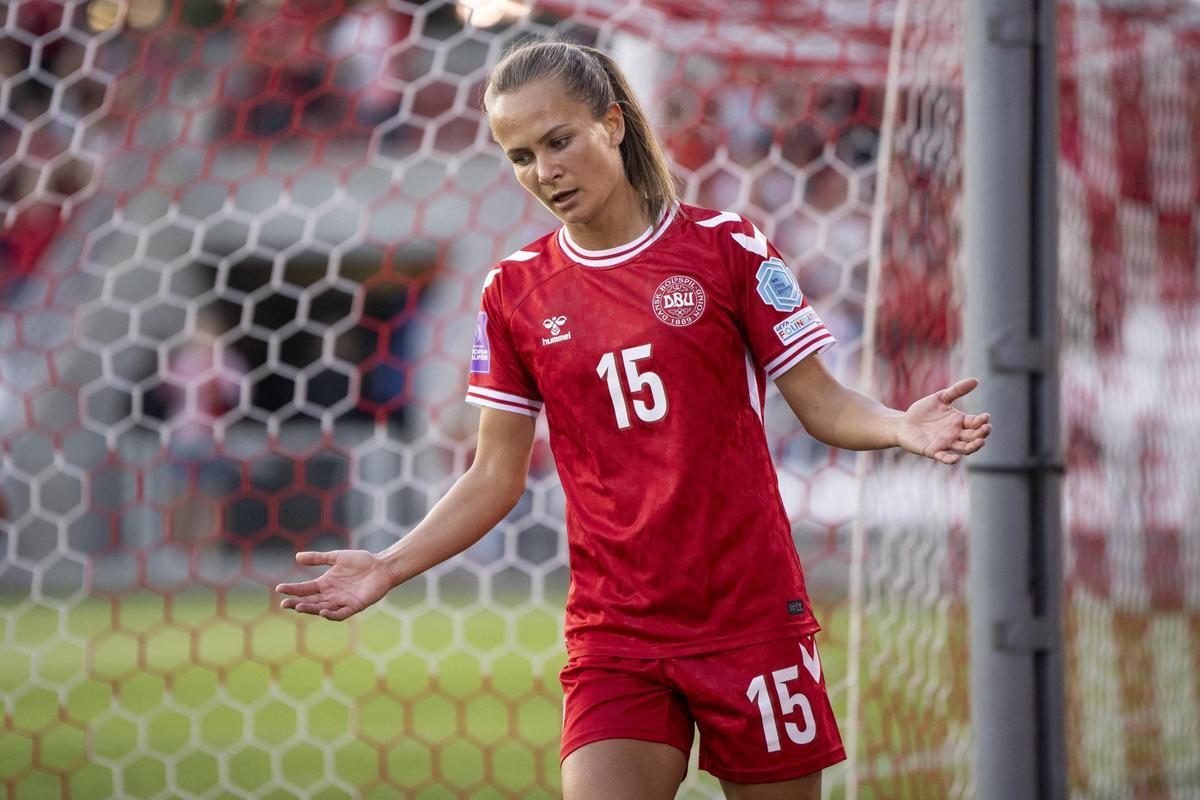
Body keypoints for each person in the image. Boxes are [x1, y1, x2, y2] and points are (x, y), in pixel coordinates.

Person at [276, 40, 992, 799]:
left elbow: (824, 404)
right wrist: (390, 563)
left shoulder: (727, 248)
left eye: (559, 141)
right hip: (616, 631)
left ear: (613, 125)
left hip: (749, 618)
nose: (543, 171)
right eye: (520, 156)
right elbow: (495, 474)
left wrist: (899, 426)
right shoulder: (513, 292)